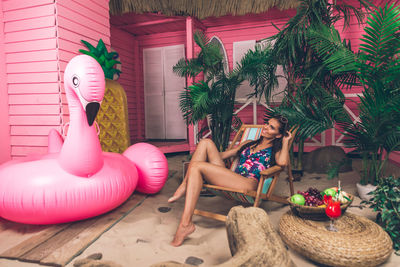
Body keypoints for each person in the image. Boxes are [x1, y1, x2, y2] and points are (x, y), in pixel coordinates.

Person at [168, 116, 292, 246]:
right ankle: (185, 187)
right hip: (231, 177)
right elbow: (223, 155)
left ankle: (185, 222)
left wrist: (285, 142)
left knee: (196, 166)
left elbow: (283, 163)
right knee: (205, 143)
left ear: (278, 135)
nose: (266, 127)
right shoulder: (249, 143)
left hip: (248, 183)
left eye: (271, 127)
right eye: (267, 123)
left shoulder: (275, 151)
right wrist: (205, 156)